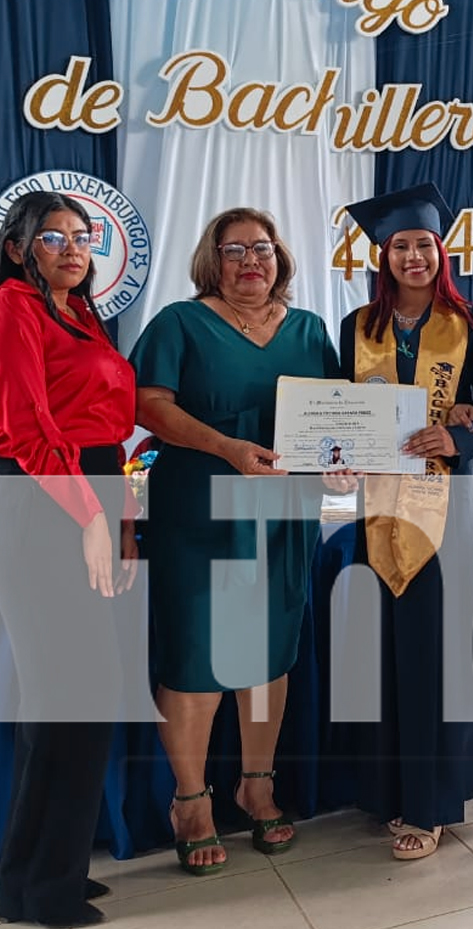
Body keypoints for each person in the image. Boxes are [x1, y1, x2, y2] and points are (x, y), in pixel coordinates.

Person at [130, 207, 338, 873]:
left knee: (268, 654)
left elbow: (333, 416)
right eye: (235, 249)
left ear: (281, 259)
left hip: (283, 510)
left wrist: (342, 456)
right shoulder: (179, 323)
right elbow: (149, 405)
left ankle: (257, 784)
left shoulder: (309, 330)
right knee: (198, 657)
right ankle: (191, 801)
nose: (251, 260)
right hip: (198, 507)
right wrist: (224, 446)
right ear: (210, 261)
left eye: (264, 248)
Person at [0, 191, 138, 928]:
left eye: (83, 236)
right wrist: (92, 517)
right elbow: (32, 429)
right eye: (53, 237)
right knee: (66, 702)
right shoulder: (8, 309)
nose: (73, 248)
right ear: (17, 248)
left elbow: (108, 431)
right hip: (38, 510)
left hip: (85, 504)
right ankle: (42, 887)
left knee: (80, 701)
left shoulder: (83, 315)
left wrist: (121, 519)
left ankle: (39, 871)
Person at [336, 184, 473, 860]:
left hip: (446, 507)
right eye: (400, 245)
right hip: (376, 508)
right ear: (383, 255)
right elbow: (337, 410)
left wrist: (458, 438)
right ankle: (388, 790)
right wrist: (335, 456)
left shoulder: (472, 327)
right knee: (383, 648)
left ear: (442, 254)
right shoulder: (355, 328)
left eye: (423, 245)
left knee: (441, 648)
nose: (412, 256)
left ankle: (432, 804)